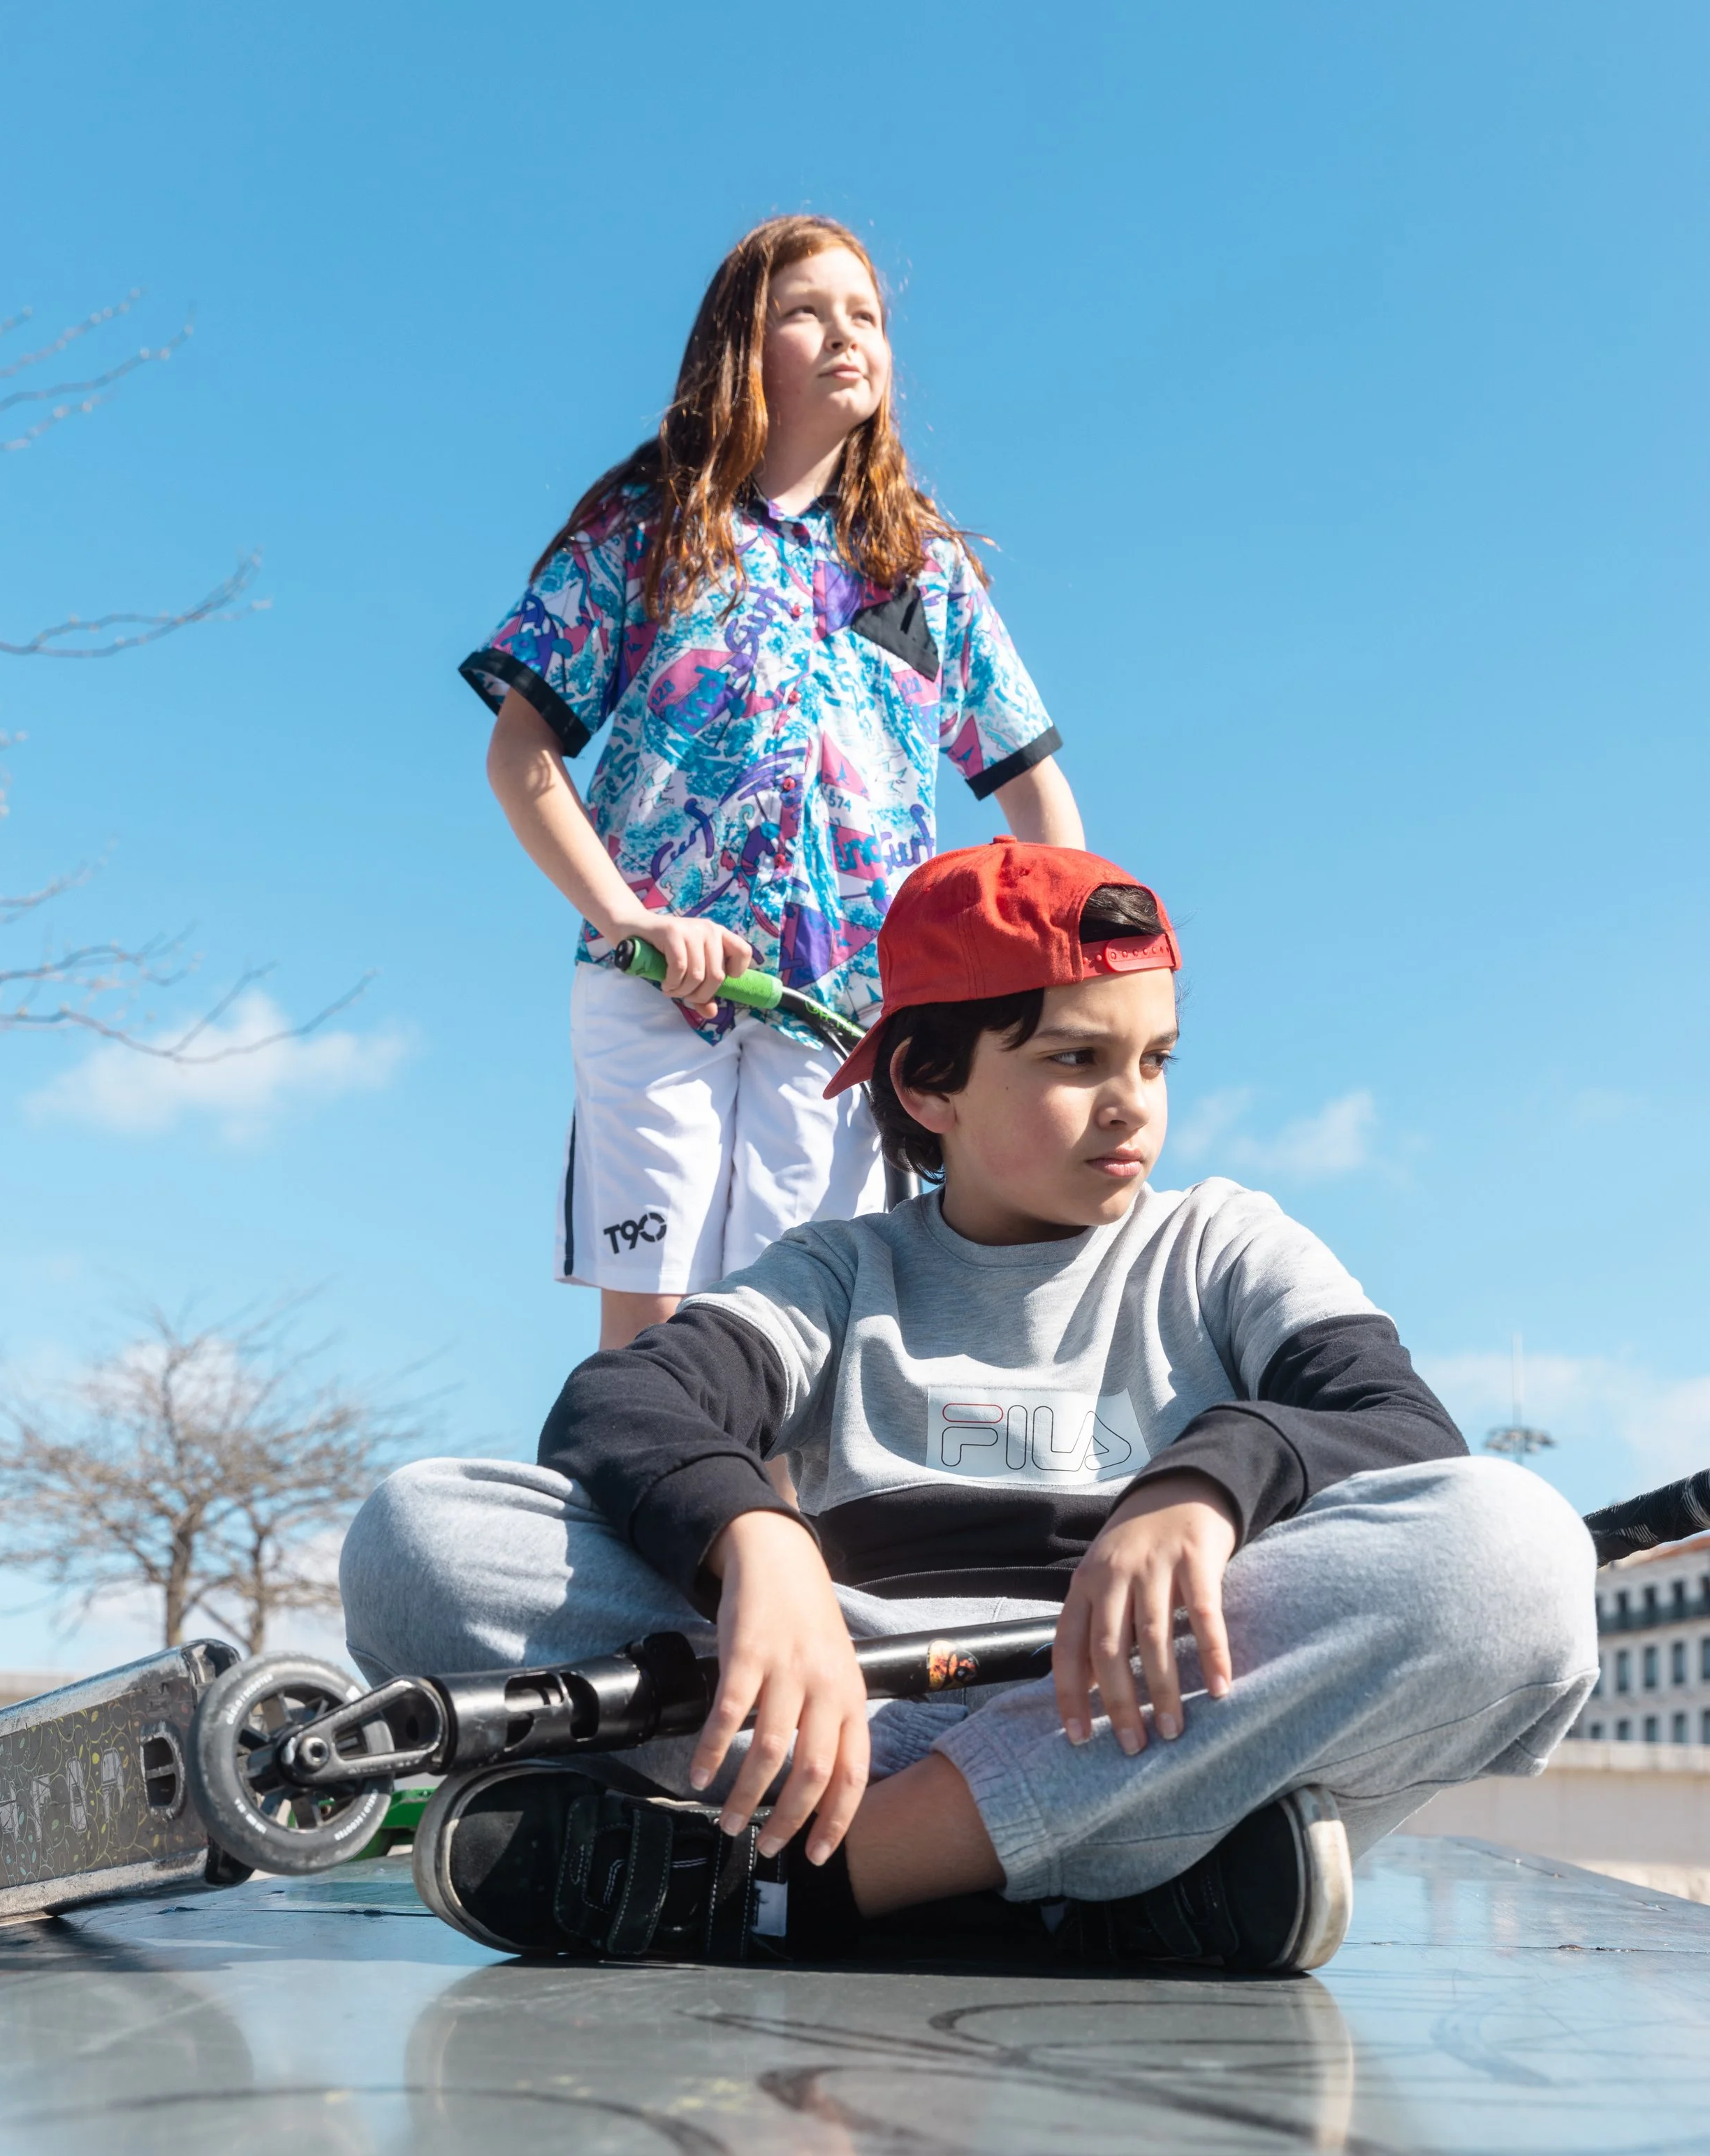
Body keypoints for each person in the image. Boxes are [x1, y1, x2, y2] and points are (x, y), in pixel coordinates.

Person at [341, 843, 1598, 1974]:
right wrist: (755, 1546)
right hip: (849, 1711)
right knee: (418, 1535)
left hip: (1141, 1708)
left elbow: (1398, 1428)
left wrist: (1204, 1485)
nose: (1133, 1104)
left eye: (1155, 1059)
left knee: (1516, 1556)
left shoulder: (1225, 1241)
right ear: (930, 1086)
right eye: (1076, 1059)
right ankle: (1109, 1884)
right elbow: (628, 1401)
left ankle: (823, 1886)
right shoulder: (840, 1270)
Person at [461, 214, 1083, 1352]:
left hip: (843, 1019)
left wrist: (1039, 978)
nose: (847, 335)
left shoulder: (921, 568)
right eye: (806, 311)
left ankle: (780, 1535)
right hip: (656, 987)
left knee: (796, 1339)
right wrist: (632, 917)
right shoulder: (648, 529)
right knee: (655, 1342)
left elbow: (1037, 799)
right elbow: (521, 757)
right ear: (740, 348)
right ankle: (642, 1520)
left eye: (867, 316)